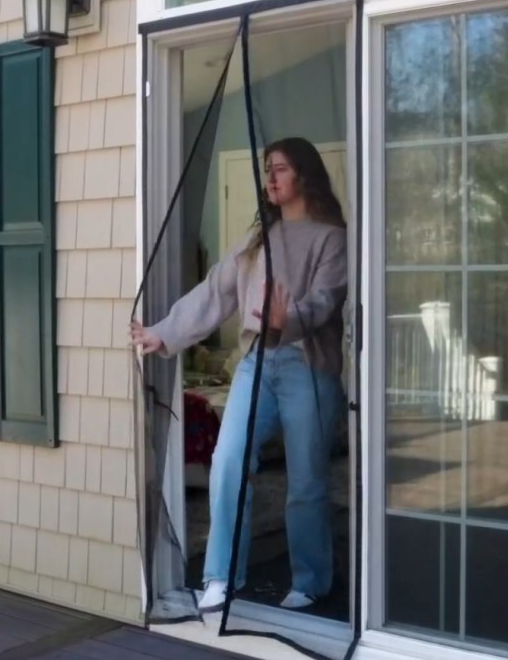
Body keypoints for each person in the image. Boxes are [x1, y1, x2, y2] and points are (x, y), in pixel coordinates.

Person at [130, 137, 347, 612]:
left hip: (306, 367)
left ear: (304, 176)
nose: (270, 178)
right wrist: (162, 334)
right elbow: (214, 293)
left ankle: (310, 582)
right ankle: (221, 577)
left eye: (281, 169)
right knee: (228, 462)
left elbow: (326, 301)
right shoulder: (255, 240)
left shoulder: (331, 238)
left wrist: (285, 320)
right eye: (267, 169)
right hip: (256, 364)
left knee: (307, 477)